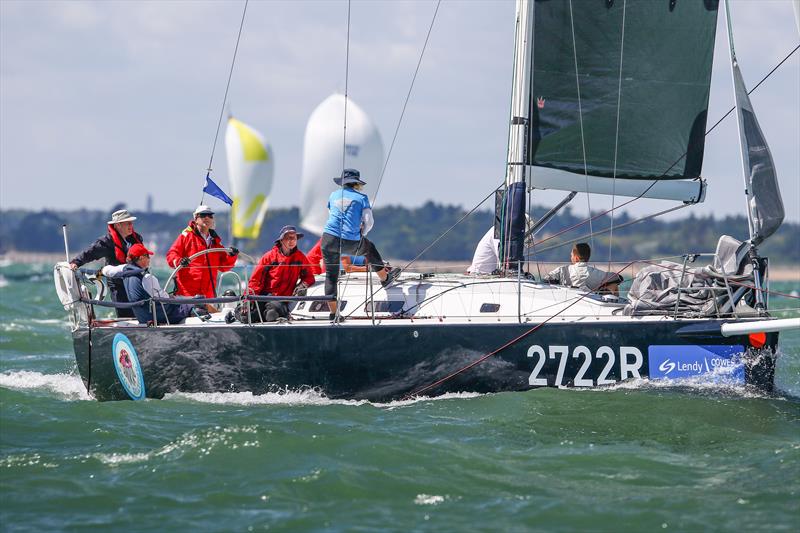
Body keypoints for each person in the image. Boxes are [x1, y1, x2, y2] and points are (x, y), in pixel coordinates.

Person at [321, 169, 400, 321]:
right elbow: (369, 222)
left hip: (328, 239)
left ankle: (334, 314)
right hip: (350, 241)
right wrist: (361, 234)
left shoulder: (333, 195)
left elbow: (333, 215)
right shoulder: (362, 197)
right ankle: (385, 278)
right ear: (357, 184)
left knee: (331, 276)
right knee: (369, 248)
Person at [69, 209, 144, 318]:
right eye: (127, 223)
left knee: (141, 310)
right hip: (118, 284)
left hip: (135, 281)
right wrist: (76, 262)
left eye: (131, 223)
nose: (131, 226)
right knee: (125, 314)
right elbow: (90, 252)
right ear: (118, 225)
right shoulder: (107, 242)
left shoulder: (137, 239)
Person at [102, 244, 194, 324]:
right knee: (197, 302)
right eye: (148, 257)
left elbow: (107, 270)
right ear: (141, 258)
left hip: (143, 317)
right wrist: (174, 297)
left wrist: (100, 271)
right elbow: (165, 300)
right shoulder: (147, 278)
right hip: (160, 316)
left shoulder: (125, 270)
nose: (149, 259)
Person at [166, 205, 238, 298]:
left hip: (208, 295)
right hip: (187, 294)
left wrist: (232, 256)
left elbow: (224, 267)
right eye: (203, 215)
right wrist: (180, 261)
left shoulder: (215, 242)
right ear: (196, 219)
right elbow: (171, 255)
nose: (207, 218)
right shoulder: (186, 236)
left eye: (210, 216)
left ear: (212, 220)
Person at [247, 225, 316, 322]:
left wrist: (302, 285)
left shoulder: (300, 258)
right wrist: (249, 298)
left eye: (294, 238)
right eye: (288, 238)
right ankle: (237, 314)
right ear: (281, 240)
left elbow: (309, 277)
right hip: (265, 296)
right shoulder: (269, 257)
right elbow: (255, 280)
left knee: (272, 314)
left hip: (282, 300)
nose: (292, 241)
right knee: (246, 315)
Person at [545, 242, 623, 295]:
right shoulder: (595, 273)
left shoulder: (562, 270)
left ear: (576, 258)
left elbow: (546, 279)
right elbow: (618, 278)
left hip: (568, 300)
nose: (570, 257)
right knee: (613, 284)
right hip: (591, 302)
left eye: (571, 255)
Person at [467, 215, 534, 275]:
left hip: (490, 277)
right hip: (479, 276)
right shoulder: (498, 233)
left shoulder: (508, 234)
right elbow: (503, 260)